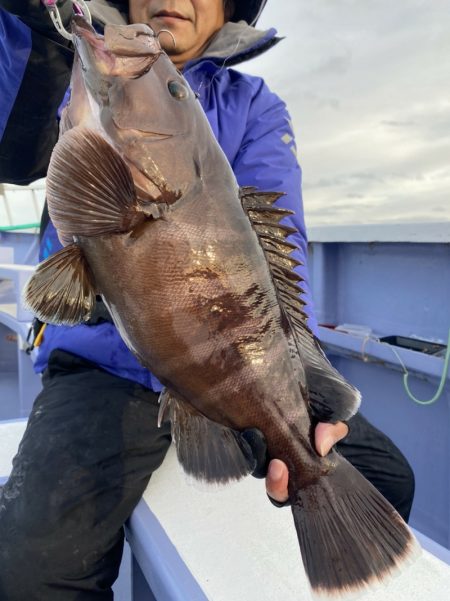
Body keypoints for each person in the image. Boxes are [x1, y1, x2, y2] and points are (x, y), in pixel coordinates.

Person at [0, 1, 414, 599]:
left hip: (241, 366)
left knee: (384, 476)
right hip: (101, 368)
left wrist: (296, 387)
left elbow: (280, 245)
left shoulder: (253, 104)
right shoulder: (74, 70)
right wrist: (36, 30)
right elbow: (13, 144)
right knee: (29, 571)